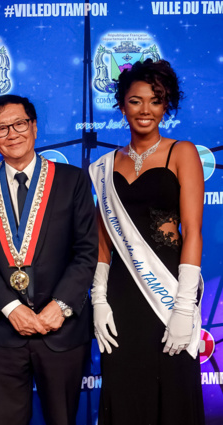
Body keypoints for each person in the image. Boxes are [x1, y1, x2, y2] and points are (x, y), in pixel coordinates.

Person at [0, 94, 97, 425]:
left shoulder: (72, 180)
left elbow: (86, 251)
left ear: (34, 127)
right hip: (5, 331)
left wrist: (60, 306)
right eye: (1, 128)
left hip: (62, 329)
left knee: (62, 419)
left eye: (19, 123)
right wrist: (12, 308)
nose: (12, 133)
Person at [88, 59, 205, 424]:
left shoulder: (181, 152)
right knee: (125, 391)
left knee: (172, 387)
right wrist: (98, 300)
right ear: (122, 105)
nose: (145, 110)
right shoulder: (104, 165)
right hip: (122, 298)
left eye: (156, 100)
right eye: (136, 101)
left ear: (166, 105)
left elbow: (193, 231)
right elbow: (102, 241)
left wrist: (184, 307)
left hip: (167, 293)